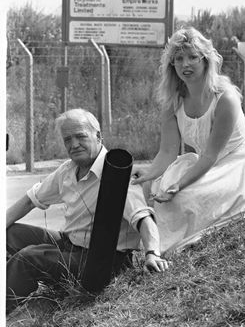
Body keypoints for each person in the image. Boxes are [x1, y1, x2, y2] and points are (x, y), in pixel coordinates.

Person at [6, 109, 168, 314]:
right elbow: (29, 201)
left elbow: (144, 219)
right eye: (68, 139)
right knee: (9, 234)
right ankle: (15, 282)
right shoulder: (67, 170)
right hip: (70, 244)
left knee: (28, 258)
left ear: (98, 136)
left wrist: (152, 253)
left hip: (103, 261)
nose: (74, 145)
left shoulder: (116, 173)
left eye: (81, 136)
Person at [132, 27, 245, 254]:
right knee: (149, 188)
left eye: (193, 57)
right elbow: (167, 152)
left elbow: (211, 155)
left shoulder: (225, 98)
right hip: (202, 163)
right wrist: (149, 175)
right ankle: (143, 250)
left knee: (184, 198)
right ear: (171, 65)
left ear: (206, 61)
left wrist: (178, 184)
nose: (186, 65)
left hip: (236, 165)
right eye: (179, 58)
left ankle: (169, 250)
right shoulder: (173, 101)